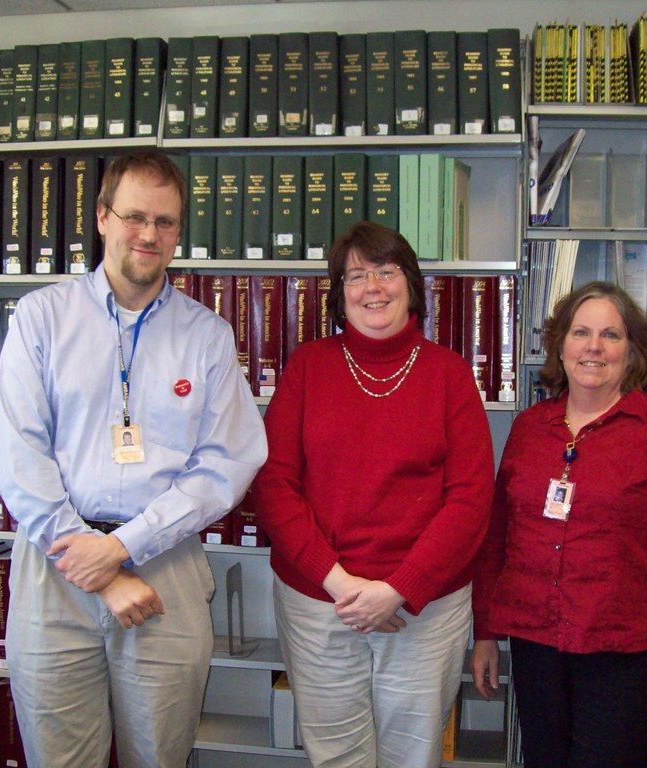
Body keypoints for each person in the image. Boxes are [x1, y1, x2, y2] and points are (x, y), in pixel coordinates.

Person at [0, 149, 267, 768]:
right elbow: (18, 453)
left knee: (161, 758)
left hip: (163, 567)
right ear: (102, 217)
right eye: (134, 216)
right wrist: (97, 565)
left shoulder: (207, 335)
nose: (149, 234)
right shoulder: (41, 318)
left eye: (165, 222)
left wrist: (121, 548)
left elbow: (228, 462)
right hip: (54, 568)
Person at [252, 221, 494, 768]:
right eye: (356, 276)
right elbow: (274, 485)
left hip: (423, 610)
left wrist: (400, 589)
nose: (373, 288)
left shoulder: (450, 375)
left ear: (411, 284)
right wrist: (341, 585)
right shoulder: (307, 367)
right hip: (321, 603)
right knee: (337, 757)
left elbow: (471, 499)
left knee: (414, 756)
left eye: (386, 271)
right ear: (340, 294)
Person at [471, 281, 647, 768]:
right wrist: (485, 633)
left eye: (611, 335)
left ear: (633, 351)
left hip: (625, 655)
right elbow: (498, 539)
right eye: (581, 332)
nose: (594, 347)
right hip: (536, 646)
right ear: (561, 346)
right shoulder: (529, 429)